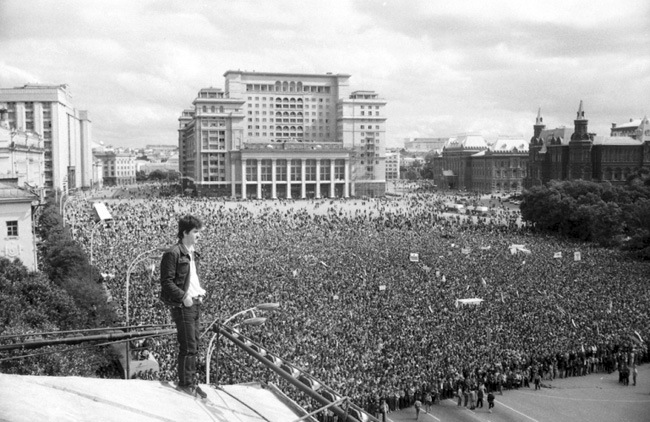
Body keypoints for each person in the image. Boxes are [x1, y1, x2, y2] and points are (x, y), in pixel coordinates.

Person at [160, 214, 207, 399]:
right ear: (185, 232)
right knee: (188, 346)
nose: (199, 235)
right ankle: (186, 384)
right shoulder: (173, 253)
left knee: (194, 345)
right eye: (196, 232)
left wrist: (198, 293)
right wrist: (184, 296)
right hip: (183, 305)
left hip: (195, 302)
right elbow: (166, 282)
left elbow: (192, 278)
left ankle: (192, 382)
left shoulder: (192, 252)